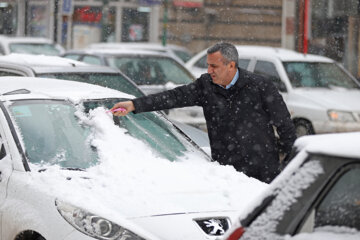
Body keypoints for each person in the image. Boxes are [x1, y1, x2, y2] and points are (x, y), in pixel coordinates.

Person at [110, 42, 297, 183]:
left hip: (262, 174)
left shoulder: (260, 86)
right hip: (225, 173)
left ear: (231, 65)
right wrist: (135, 105)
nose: (209, 71)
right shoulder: (206, 86)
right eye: (208, 65)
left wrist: (291, 165)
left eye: (214, 66)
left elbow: (285, 127)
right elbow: (174, 96)